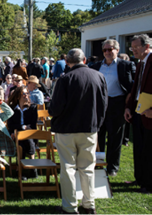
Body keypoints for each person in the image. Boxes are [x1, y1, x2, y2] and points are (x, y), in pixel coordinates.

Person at [48, 48, 108, 215]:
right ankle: (89, 205)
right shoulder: (99, 76)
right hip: (89, 128)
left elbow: (55, 108)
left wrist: (51, 110)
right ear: (85, 60)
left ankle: (70, 207)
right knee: (88, 167)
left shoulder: (65, 79)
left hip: (67, 130)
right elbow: (104, 105)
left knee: (68, 168)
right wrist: (97, 124)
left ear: (67, 61)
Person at [90, 39, 135, 177]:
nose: (108, 52)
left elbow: (133, 86)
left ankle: (112, 167)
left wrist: (129, 102)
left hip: (117, 103)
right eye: (105, 50)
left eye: (110, 49)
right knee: (98, 136)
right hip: (99, 104)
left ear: (117, 49)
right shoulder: (96, 66)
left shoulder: (126, 65)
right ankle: (98, 163)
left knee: (115, 137)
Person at [124, 34, 152, 194]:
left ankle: (149, 184)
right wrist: (128, 107)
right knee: (139, 148)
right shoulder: (141, 63)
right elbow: (136, 89)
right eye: (132, 48)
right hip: (138, 112)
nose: (133, 50)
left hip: (149, 114)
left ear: (146, 47)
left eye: (136, 47)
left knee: (149, 151)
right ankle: (140, 179)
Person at [7, 86, 38, 180]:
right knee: (22, 140)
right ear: (18, 96)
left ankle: (19, 170)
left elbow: (32, 125)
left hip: (29, 134)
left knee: (24, 141)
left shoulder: (32, 108)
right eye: (24, 94)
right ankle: (33, 167)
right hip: (15, 134)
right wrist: (21, 127)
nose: (26, 96)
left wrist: (24, 128)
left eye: (27, 93)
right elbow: (10, 125)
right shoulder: (12, 108)